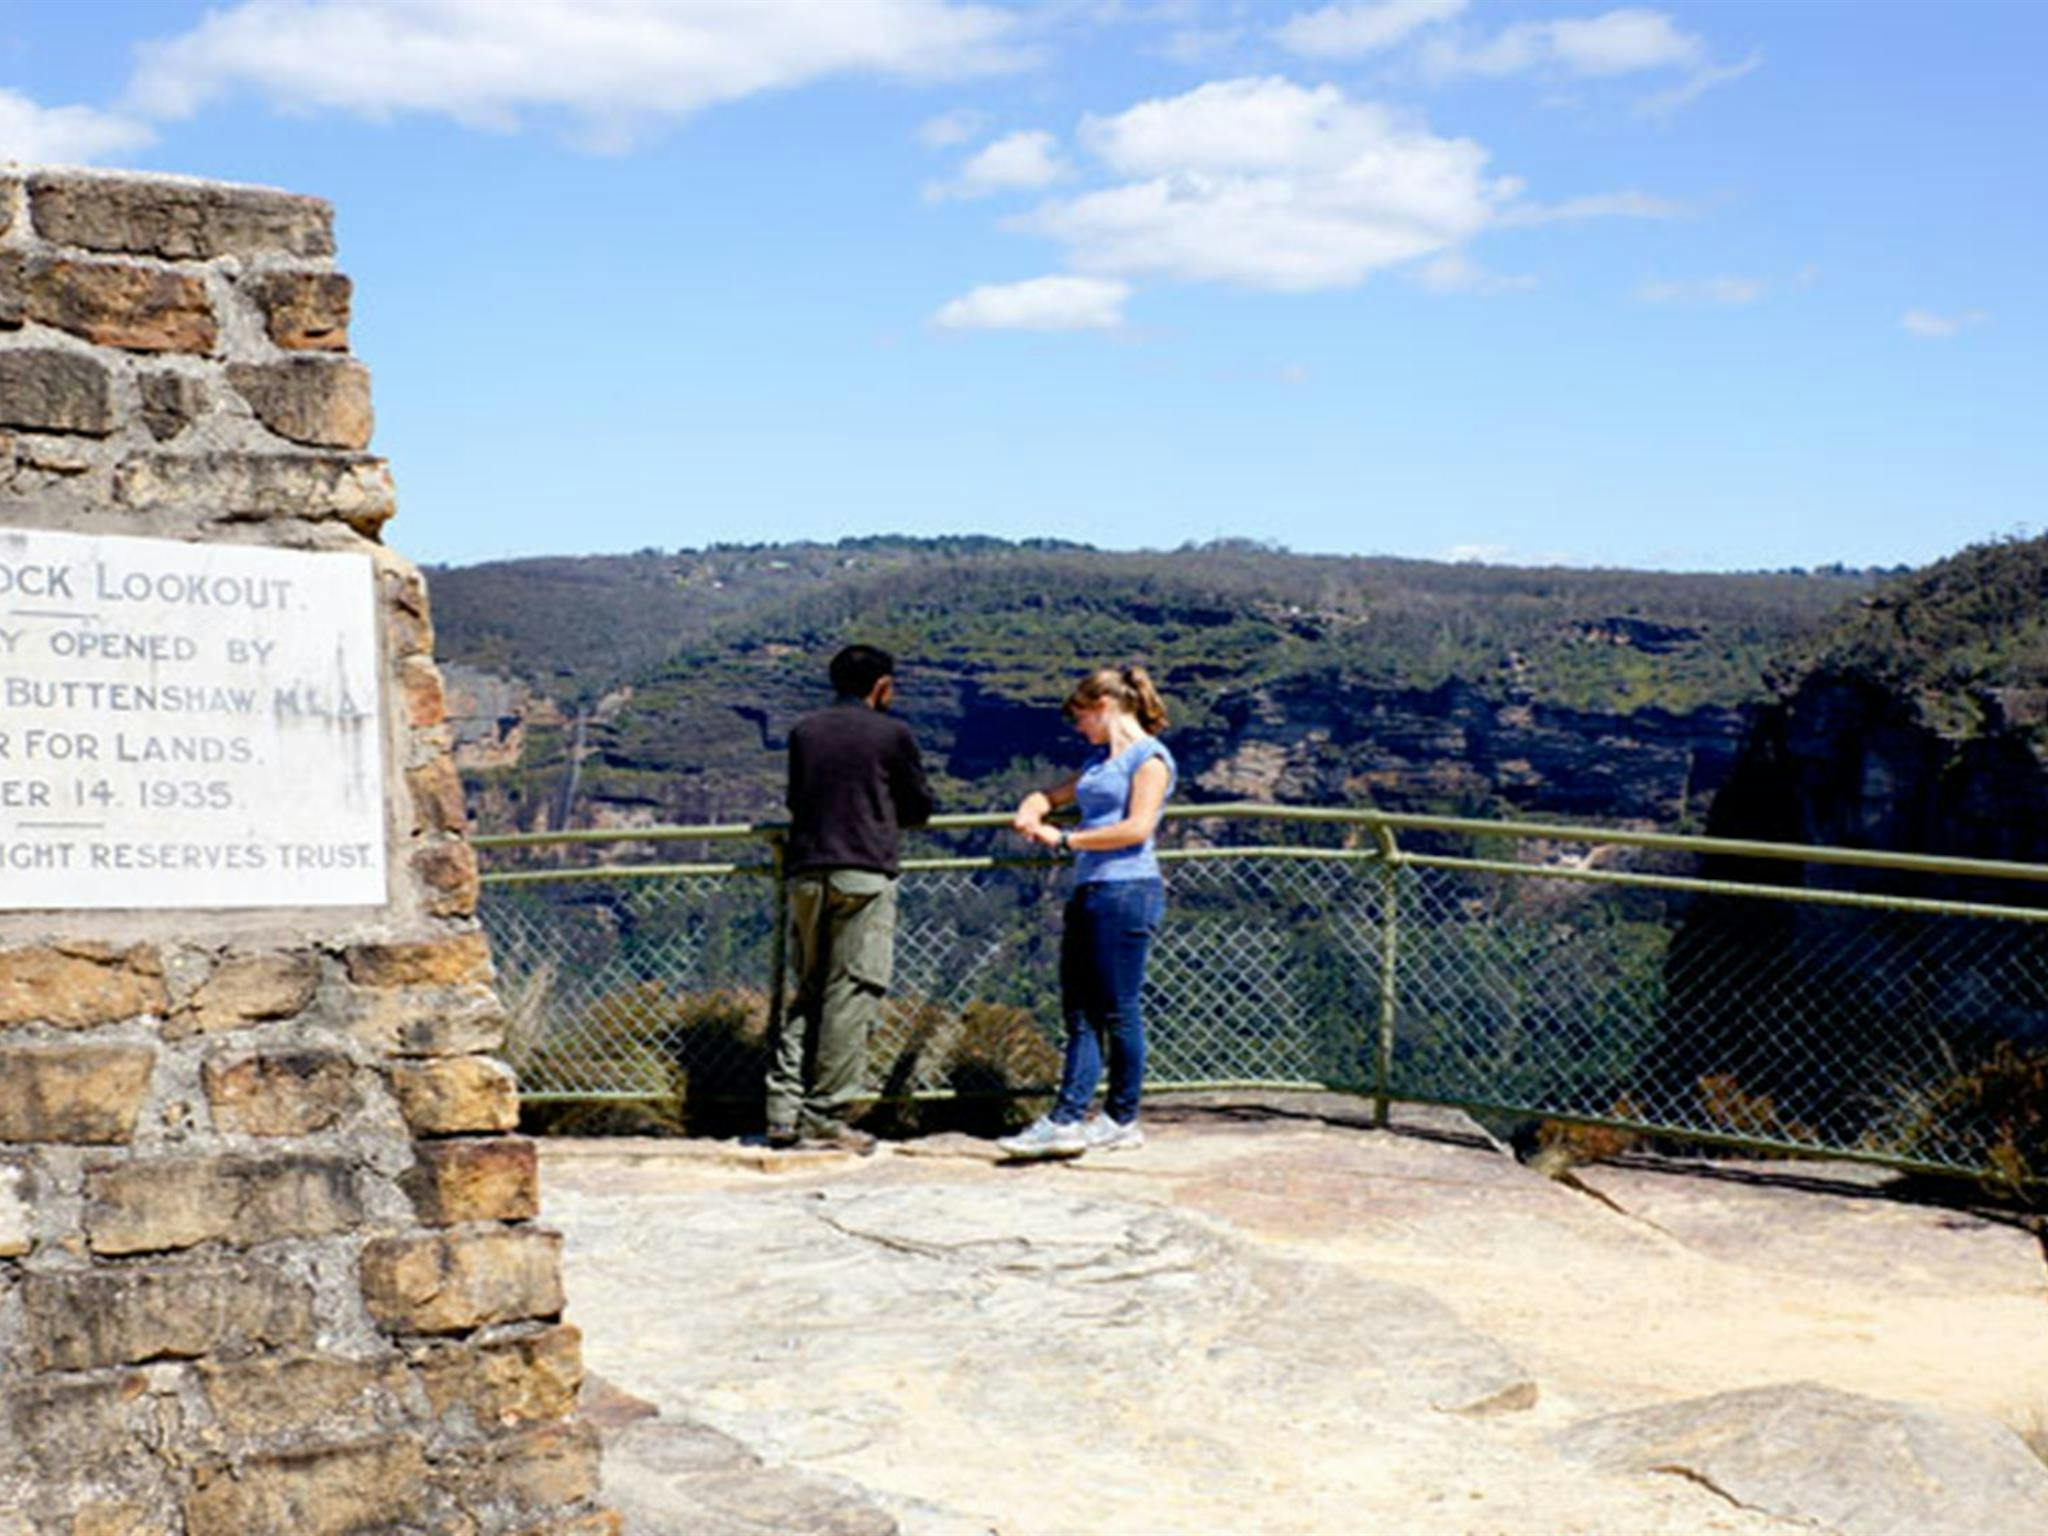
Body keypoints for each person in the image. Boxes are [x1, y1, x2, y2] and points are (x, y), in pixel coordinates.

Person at [999, 664, 1175, 1160]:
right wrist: (1032, 808)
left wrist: (1067, 838)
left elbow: (1137, 828)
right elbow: (1052, 794)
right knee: (1080, 1011)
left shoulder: (1151, 760)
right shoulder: (1099, 763)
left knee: (1119, 1009)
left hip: (1127, 890)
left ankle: (1121, 1117)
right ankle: (1068, 1119)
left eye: (1081, 718)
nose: (1078, 729)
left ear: (1103, 708)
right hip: (1092, 888)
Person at [767, 643, 933, 1152]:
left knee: (807, 988)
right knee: (851, 992)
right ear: (880, 686)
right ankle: (825, 1116)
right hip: (863, 872)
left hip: (806, 872)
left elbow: (797, 800)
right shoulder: (892, 733)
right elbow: (919, 806)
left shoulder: (805, 731)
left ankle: (782, 1110)